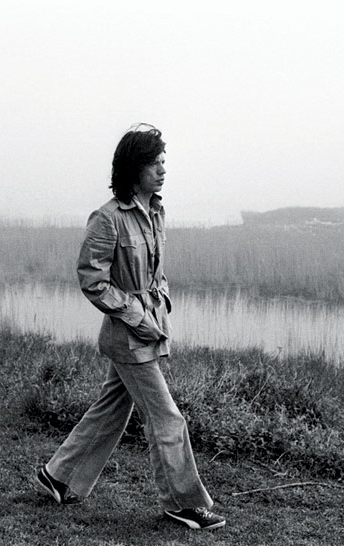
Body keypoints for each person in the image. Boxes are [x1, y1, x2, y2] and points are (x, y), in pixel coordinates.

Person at [34, 124, 226, 531]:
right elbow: (93, 279)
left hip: (150, 327)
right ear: (133, 167)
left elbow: (155, 273)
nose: (162, 170)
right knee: (167, 417)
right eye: (154, 163)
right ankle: (184, 503)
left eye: (163, 162)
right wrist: (137, 316)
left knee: (111, 411)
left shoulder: (155, 210)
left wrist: (161, 304)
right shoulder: (107, 219)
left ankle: (59, 475)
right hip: (127, 334)